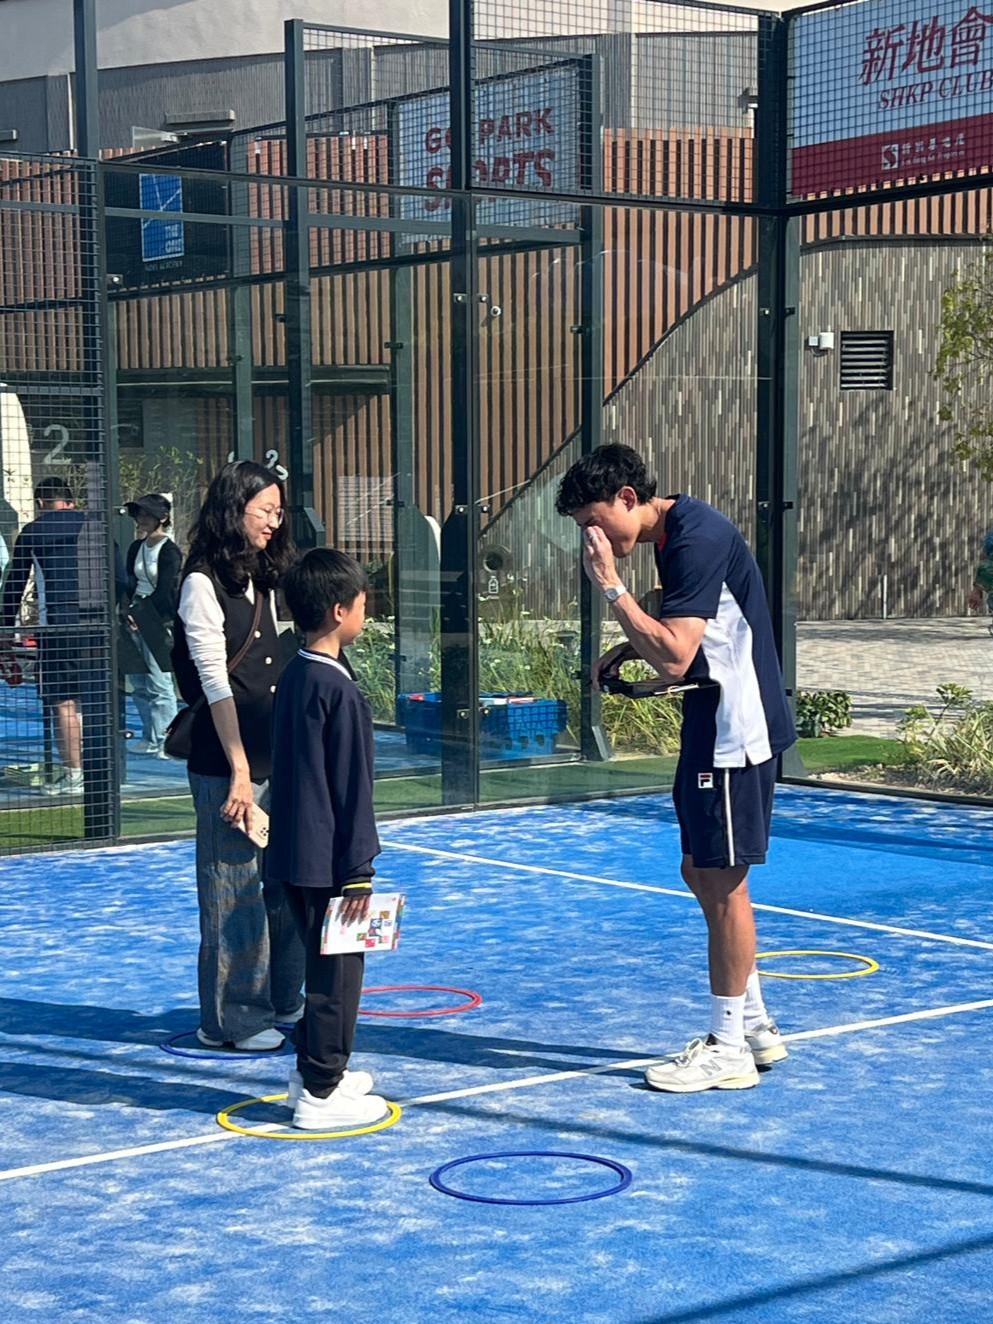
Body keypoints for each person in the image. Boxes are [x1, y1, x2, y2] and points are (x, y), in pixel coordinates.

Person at [556, 444, 796, 1093]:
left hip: (735, 732)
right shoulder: (676, 533)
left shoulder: (694, 535)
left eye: (593, 521)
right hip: (712, 725)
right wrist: (625, 644)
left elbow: (674, 656)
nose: (590, 537)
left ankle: (727, 1048)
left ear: (627, 498)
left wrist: (611, 589)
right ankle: (754, 1023)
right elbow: (686, 615)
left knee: (723, 883)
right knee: (700, 870)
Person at [171, 460, 305, 1052]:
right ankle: (233, 1019)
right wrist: (240, 773)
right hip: (228, 763)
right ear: (234, 510)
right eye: (265, 510)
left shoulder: (266, 577)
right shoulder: (201, 583)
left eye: (279, 511)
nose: (275, 522)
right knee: (234, 890)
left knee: (286, 882)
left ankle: (282, 996)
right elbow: (215, 684)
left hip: (276, 754)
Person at [265, 548, 389, 1129]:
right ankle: (321, 1089)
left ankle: (308, 1073)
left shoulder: (296, 673)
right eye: (362, 603)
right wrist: (359, 870)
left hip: (292, 851)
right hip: (330, 859)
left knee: (322, 966)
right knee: (338, 974)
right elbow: (351, 787)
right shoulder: (339, 690)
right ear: (340, 610)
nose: (366, 611)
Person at [0, 478, 120, 796]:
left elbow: (15, 584)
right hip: (98, 627)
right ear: (70, 500)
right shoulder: (98, 529)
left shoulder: (33, 532)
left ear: (41, 503)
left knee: (63, 701)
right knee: (96, 699)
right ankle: (103, 772)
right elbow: (121, 579)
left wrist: (5, 627)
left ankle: (75, 774)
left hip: (56, 628)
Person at [123, 493, 181, 756]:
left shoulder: (170, 550)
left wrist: (143, 614)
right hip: (134, 615)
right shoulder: (136, 547)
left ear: (163, 518)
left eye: (148, 514)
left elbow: (166, 590)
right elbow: (130, 581)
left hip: (157, 619)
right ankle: (149, 735)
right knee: (138, 682)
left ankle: (166, 740)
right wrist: (127, 610)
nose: (142, 519)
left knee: (160, 682)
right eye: (140, 514)